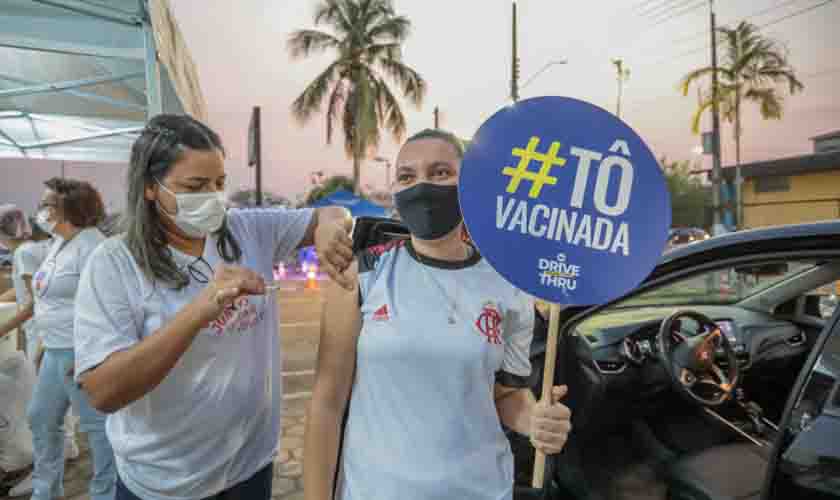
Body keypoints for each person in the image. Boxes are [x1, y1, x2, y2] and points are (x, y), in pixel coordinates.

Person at [73, 114, 354, 500]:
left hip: (248, 468)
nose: (213, 197)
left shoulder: (247, 229)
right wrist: (199, 311)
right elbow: (102, 392)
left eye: (220, 183)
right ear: (150, 188)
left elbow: (332, 213)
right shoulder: (113, 264)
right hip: (165, 482)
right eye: (195, 186)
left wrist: (328, 226)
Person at [305, 129, 573, 500]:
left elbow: (506, 394)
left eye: (441, 172)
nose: (422, 187)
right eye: (407, 177)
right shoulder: (361, 274)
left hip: (480, 489)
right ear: (396, 192)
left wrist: (535, 420)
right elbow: (327, 403)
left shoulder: (509, 286)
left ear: (470, 186)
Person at [26, 177, 115, 500]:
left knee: (97, 429)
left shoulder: (94, 246)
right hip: (54, 350)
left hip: (81, 354)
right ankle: (45, 489)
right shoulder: (58, 243)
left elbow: (108, 306)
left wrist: (88, 356)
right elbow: (49, 300)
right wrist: (42, 345)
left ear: (70, 207)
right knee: (40, 417)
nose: (41, 210)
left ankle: (106, 493)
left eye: (47, 204)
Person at [0, 205, 80, 498]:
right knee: (61, 400)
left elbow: (33, 303)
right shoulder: (40, 247)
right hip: (56, 332)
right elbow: (24, 293)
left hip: (44, 333)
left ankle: (45, 473)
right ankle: (67, 449)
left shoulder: (22, 254)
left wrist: (2, 327)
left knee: (44, 409)